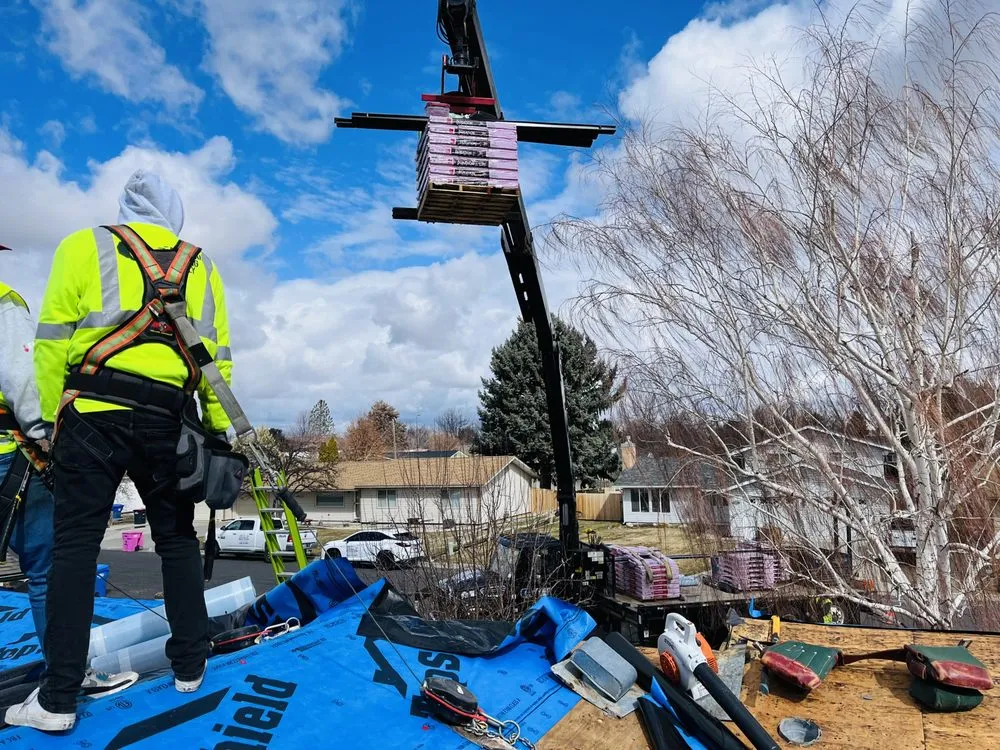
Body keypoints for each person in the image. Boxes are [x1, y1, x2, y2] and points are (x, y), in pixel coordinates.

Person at [5, 170, 234, 732]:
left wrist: (48, 427)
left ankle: (57, 700)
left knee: (74, 550)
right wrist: (221, 436)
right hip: (169, 420)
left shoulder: (83, 246)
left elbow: (52, 345)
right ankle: (189, 665)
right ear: (175, 212)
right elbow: (215, 363)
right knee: (176, 539)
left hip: (92, 416)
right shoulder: (201, 266)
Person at [0, 249, 137, 708]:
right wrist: (47, 440)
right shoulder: (3, 303)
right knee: (46, 572)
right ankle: (68, 676)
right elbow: (23, 382)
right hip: (9, 461)